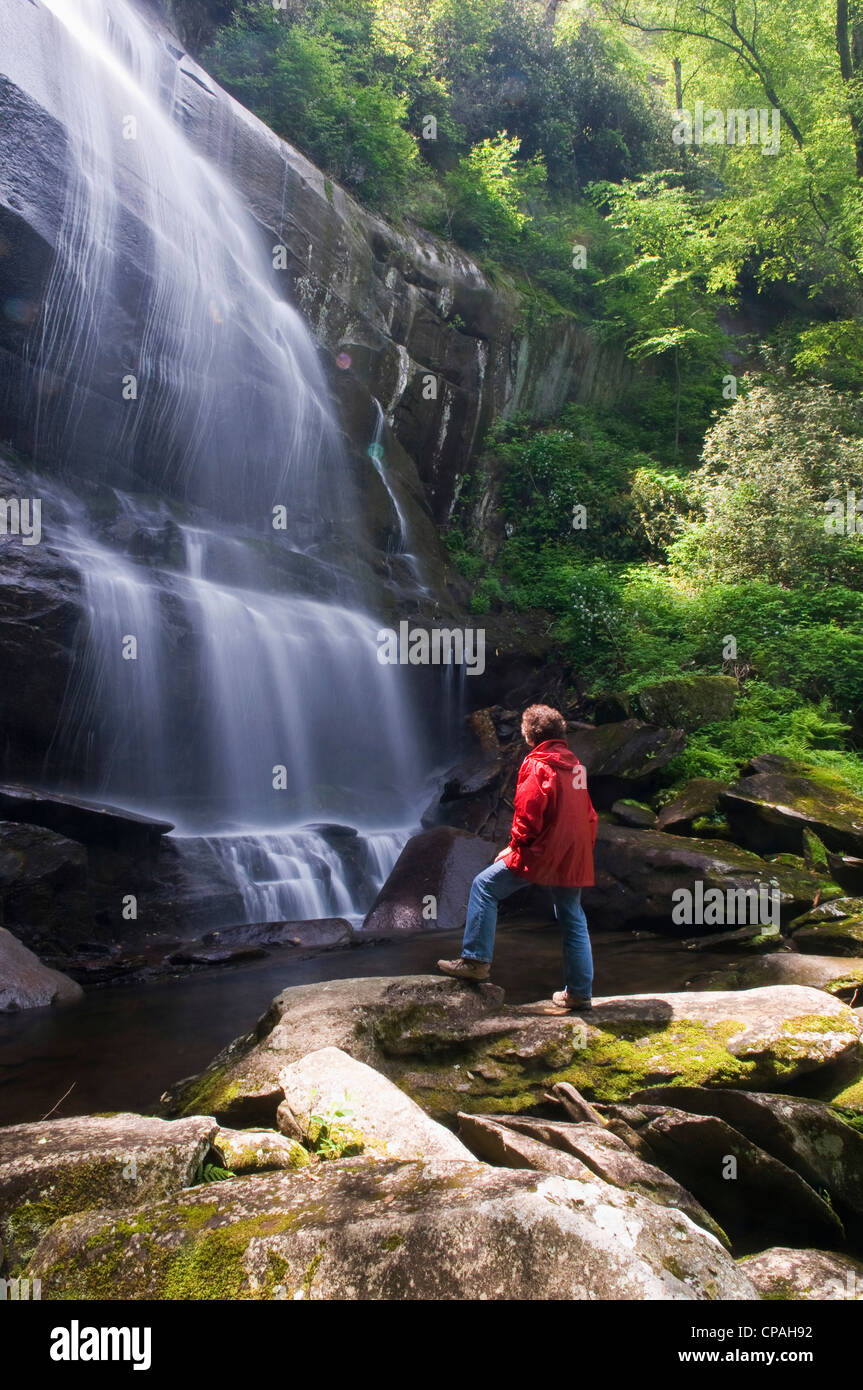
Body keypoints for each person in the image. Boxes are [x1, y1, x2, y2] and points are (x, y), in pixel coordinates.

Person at [437, 703, 597, 1010]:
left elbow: (528, 813)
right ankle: (579, 993)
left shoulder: (537, 764)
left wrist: (515, 846)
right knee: (572, 916)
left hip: (543, 850)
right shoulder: (575, 766)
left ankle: (476, 960)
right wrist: (581, 849)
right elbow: (589, 815)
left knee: (484, 885)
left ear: (530, 735)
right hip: (573, 851)